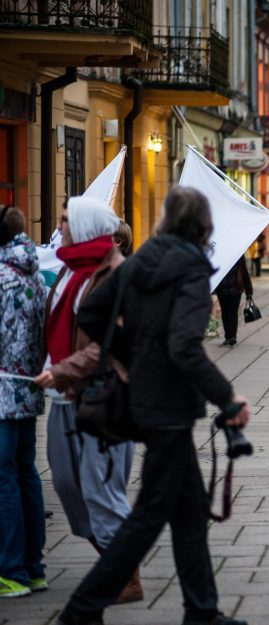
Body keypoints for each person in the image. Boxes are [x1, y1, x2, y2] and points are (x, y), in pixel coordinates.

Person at [56, 187, 252, 625]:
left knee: (188, 511)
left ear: (166, 220)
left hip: (147, 400)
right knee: (148, 515)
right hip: (169, 409)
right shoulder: (192, 271)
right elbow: (184, 347)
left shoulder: (139, 261)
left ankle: (202, 610)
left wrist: (136, 351)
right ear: (203, 226)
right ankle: (81, 610)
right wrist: (228, 396)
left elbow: (91, 314)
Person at [33, 196, 141, 605]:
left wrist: (62, 370)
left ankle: (126, 577)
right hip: (64, 394)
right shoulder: (67, 267)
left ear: (87, 224)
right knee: (65, 485)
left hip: (104, 393)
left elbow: (108, 344)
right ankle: (114, 564)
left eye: (66, 219)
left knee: (99, 489)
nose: (59, 225)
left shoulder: (116, 272)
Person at [0, 205, 47, 599]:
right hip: (29, 388)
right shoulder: (35, 276)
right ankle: (34, 567)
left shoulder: (0, 278)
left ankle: (10, 570)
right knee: (26, 473)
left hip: (1, 393)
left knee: (4, 481)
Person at [213, 254, 253, 347]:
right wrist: (249, 291)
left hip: (224, 289)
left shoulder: (221, 254)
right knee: (232, 312)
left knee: (226, 312)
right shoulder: (238, 253)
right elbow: (244, 272)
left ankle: (229, 337)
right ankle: (231, 337)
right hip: (234, 289)